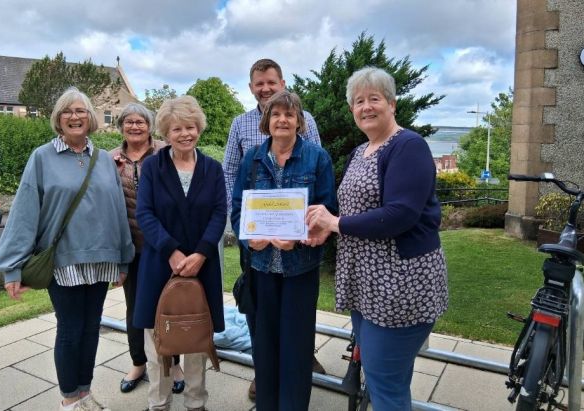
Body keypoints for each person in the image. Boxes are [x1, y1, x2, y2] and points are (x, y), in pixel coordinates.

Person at [305, 67, 449, 411]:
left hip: (399, 287)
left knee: (385, 385)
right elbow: (352, 211)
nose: (366, 107)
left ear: (392, 104)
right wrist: (325, 227)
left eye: (374, 99)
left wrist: (335, 222)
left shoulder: (408, 146)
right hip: (367, 286)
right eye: (358, 101)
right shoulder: (361, 152)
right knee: (388, 376)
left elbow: (399, 215)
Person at [0, 87, 135, 411]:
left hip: (100, 260)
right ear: (59, 118)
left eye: (82, 111)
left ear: (90, 118)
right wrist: (12, 267)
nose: (75, 116)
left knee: (90, 330)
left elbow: (116, 211)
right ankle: (69, 400)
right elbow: (26, 212)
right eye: (68, 111)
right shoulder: (42, 157)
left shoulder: (102, 160)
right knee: (70, 331)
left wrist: (124, 259)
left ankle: (84, 393)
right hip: (63, 262)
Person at [222, 58, 324, 400]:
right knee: (263, 346)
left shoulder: (316, 159)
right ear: (266, 122)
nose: (282, 120)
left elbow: (325, 210)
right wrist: (250, 239)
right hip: (260, 266)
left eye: (289, 115)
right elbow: (238, 207)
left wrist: (300, 239)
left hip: (299, 267)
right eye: (276, 115)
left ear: (299, 121)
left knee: (296, 349)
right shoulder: (251, 157)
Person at [133, 96, 226, 411]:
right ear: (165, 133)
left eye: (190, 127)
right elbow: (145, 214)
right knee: (156, 339)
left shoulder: (212, 169)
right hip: (160, 263)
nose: (185, 134)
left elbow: (218, 213)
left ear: (198, 127)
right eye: (177, 129)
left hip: (202, 266)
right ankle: (158, 402)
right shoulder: (152, 168)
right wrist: (172, 251)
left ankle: (196, 401)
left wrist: (200, 254)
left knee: (197, 336)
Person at [110, 103, 186, 395]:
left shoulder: (166, 153)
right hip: (131, 247)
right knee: (135, 309)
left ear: (150, 126)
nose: (135, 127)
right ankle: (138, 362)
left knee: (169, 307)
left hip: (164, 246)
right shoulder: (111, 160)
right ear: (121, 127)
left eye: (140, 121)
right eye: (129, 122)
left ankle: (173, 362)